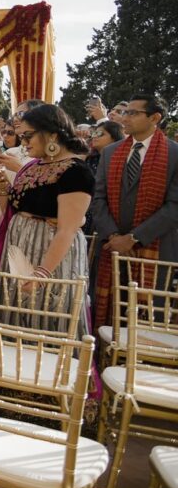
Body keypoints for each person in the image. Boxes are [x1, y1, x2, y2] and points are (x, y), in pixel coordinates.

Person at [0, 104, 93, 334]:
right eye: (22, 136)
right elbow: (12, 209)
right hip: (19, 249)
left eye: (28, 136)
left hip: (50, 256)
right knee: (12, 316)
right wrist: (3, 188)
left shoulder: (76, 172)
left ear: (52, 134)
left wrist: (42, 273)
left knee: (44, 316)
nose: (24, 143)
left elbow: (67, 229)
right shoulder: (34, 166)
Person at [90, 94, 178, 328]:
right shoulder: (111, 153)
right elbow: (98, 199)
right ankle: (103, 362)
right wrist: (113, 236)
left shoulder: (174, 154)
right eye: (125, 112)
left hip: (155, 250)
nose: (125, 117)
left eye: (132, 113)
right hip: (112, 248)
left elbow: (174, 207)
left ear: (155, 117)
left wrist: (133, 239)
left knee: (147, 322)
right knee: (106, 316)